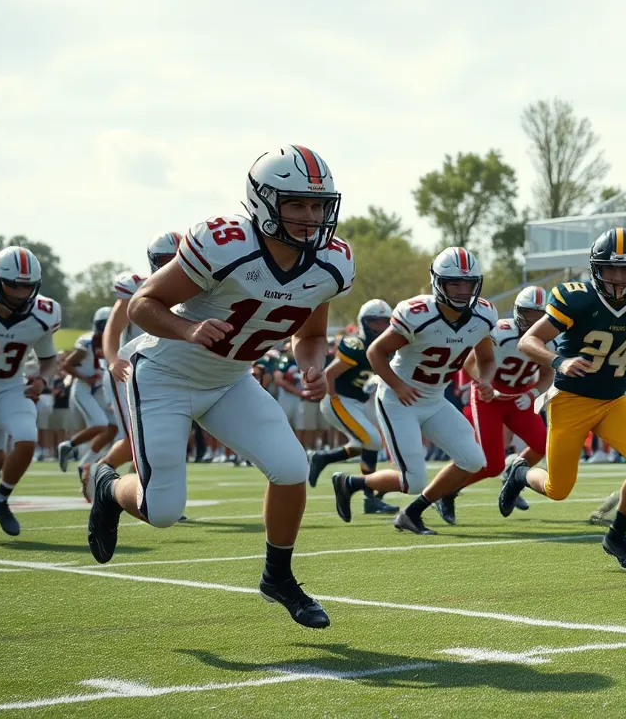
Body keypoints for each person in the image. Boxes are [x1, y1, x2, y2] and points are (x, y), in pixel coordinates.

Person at [88, 145, 354, 629]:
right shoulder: (225, 243)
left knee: (291, 467)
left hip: (231, 380)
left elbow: (310, 334)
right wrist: (188, 329)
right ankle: (108, 487)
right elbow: (143, 304)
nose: (310, 217)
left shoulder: (329, 263)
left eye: (318, 206)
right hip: (166, 375)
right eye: (296, 204)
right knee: (163, 511)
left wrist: (314, 365)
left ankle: (279, 576)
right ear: (263, 200)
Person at [500, 228, 626, 569]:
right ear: (596, 268)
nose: (619, 278)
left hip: (612, 401)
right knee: (557, 488)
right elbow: (528, 342)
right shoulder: (576, 297)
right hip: (571, 400)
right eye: (611, 269)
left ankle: (617, 534)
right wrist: (559, 360)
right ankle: (519, 473)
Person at [334, 247, 498, 534]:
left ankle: (410, 514)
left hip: (435, 399)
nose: (462, 291)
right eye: (454, 283)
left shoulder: (482, 315)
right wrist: (397, 384)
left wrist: (484, 380)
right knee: (413, 481)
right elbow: (376, 352)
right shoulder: (418, 313)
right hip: (400, 399)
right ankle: (351, 483)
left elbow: (486, 359)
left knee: (473, 460)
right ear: (438, 282)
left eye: (468, 283)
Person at [443, 286, 554, 522]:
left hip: (518, 397)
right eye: (528, 313)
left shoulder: (550, 339)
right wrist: (485, 384)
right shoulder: (500, 331)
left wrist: (534, 392)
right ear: (517, 311)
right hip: (488, 398)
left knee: (543, 444)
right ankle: (447, 491)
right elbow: (470, 362)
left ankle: (513, 477)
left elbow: (547, 375)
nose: (533, 319)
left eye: (539, 314)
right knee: (491, 464)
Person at [92, 233, 183, 483]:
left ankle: (143, 490)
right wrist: (113, 359)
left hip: (167, 371)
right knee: (137, 436)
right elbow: (113, 327)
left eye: (178, 258)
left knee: (161, 435)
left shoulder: (197, 286)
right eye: (166, 259)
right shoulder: (136, 285)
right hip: (130, 370)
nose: (172, 264)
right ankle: (99, 472)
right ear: (153, 260)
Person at [0, 247, 61, 536]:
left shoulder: (44, 313)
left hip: (10, 388)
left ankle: (1, 501)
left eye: (26, 286)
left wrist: (43, 380)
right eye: (12, 285)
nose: (19, 293)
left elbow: (48, 358)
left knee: (28, 439)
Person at [306, 299, 398, 515]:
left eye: (385, 322)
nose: (381, 327)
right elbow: (329, 374)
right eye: (375, 322)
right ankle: (370, 497)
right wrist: (334, 400)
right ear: (364, 323)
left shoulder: (389, 346)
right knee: (372, 441)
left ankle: (322, 458)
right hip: (338, 398)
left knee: (366, 443)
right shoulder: (356, 345)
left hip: (360, 401)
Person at [57, 307, 118, 497]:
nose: (106, 328)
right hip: (83, 388)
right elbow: (65, 364)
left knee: (114, 427)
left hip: (99, 388)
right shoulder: (87, 341)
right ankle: (68, 445)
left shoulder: (114, 341)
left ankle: (86, 463)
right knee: (100, 424)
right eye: (103, 324)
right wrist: (84, 378)